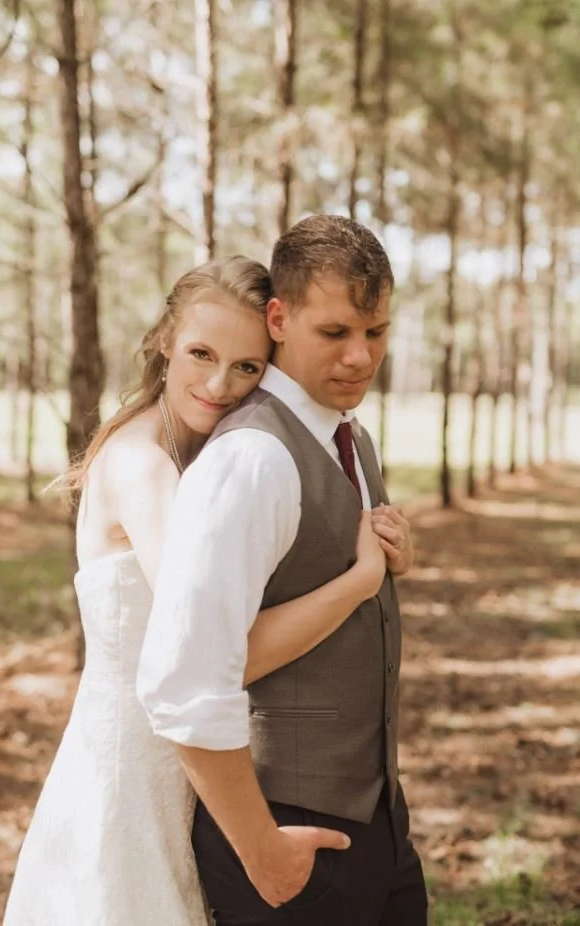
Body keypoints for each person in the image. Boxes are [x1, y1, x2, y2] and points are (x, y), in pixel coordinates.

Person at [3, 256, 389, 926]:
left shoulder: (204, 454)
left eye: (245, 367)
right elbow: (224, 653)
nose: (218, 384)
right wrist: (358, 583)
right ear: (163, 342)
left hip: (191, 769)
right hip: (132, 776)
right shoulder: (145, 466)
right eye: (200, 354)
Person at [138, 216, 426, 926]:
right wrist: (261, 852)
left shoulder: (349, 434)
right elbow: (183, 680)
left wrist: (389, 568)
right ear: (279, 317)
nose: (361, 356)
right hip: (283, 832)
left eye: (376, 331)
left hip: (377, 823)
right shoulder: (251, 460)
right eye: (335, 333)